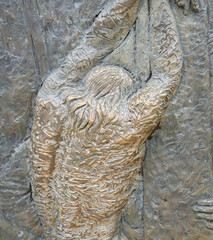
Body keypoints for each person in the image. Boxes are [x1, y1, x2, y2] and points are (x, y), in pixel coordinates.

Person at [29, 0, 182, 239]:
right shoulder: (128, 124)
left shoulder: (54, 102)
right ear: (124, 99)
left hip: (57, 228)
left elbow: (95, 43)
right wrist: (160, 3)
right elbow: (168, 74)